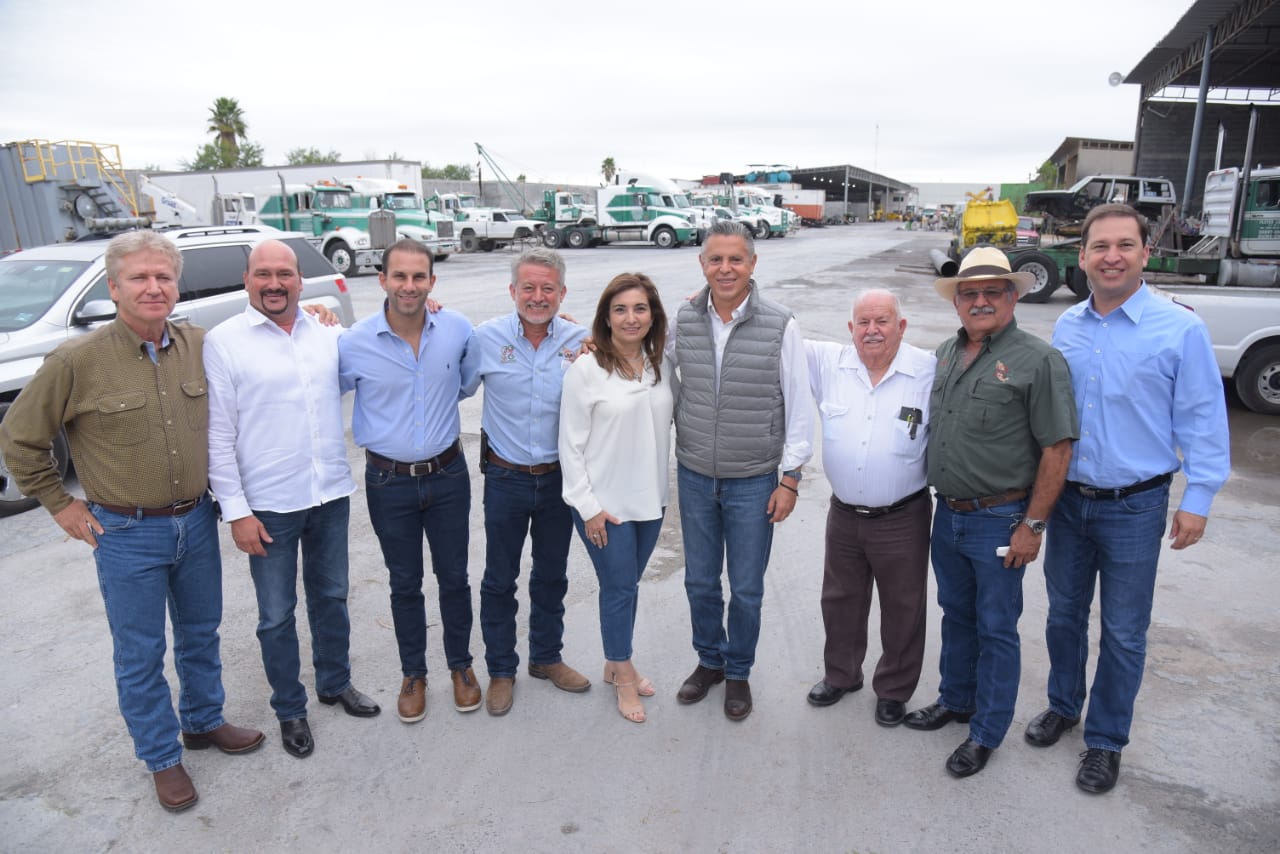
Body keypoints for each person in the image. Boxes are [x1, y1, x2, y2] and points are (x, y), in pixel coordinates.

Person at [0, 231, 263, 813]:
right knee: (140, 653)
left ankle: (203, 721)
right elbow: (17, 438)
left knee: (200, 635)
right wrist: (59, 502)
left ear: (176, 285)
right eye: (139, 278)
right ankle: (162, 758)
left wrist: (316, 312)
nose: (153, 287)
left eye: (163, 277)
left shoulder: (198, 344)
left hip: (195, 522)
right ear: (113, 287)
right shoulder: (76, 361)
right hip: (125, 533)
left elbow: (262, 337)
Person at [1025, 204, 1230, 794]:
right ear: (1083, 256)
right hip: (1070, 502)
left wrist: (1201, 497)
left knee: (1122, 631)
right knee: (1064, 615)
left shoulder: (1180, 328)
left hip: (1135, 507)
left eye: (1124, 245)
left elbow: (1202, 420)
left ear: (1145, 253)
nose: (1111, 256)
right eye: (1099, 246)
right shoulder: (1069, 327)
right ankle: (1064, 706)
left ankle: (1106, 740)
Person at [902, 246, 1078, 779]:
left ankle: (986, 731)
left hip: (1000, 519)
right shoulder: (945, 354)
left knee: (997, 626)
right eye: (969, 293)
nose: (979, 301)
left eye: (991, 292)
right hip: (948, 514)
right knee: (956, 614)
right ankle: (956, 699)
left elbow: (1058, 448)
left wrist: (1034, 524)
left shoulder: (1037, 360)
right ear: (957, 303)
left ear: (1012, 297)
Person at [205, 240, 379, 760]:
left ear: (301, 281)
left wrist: (428, 309)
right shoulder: (223, 341)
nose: (274, 283)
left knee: (332, 598)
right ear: (247, 280)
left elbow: (382, 346)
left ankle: (335, 682)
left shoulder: (327, 330)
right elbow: (217, 434)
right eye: (264, 274)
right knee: (276, 616)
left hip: (329, 493)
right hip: (268, 506)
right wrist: (235, 511)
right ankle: (289, 708)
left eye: (285, 274)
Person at [671, 219, 813, 722]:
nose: (725, 268)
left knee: (747, 588)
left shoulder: (780, 324)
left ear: (753, 263)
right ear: (702, 263)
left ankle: (738, 672)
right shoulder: (684, 319)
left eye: (736, 259)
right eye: (716, 259)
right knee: (701, 583)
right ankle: (709, 660)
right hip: (694, 475)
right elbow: (651, 370)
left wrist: (791, 477)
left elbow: (798, 404)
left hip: (754, 480)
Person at [338, 238, 480, 723]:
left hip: (447, 475)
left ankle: (461, 667)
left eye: (419, 277)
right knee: (404, 582)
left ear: (432, 283)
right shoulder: (353, 342)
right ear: (382, 280)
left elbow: (469, 379)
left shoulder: (458, 329)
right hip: (388, 482)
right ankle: (413, 674)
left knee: (455, 578)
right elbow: (314, 380)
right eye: (399, 276)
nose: (409, 286)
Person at [461, 248, 591, 716]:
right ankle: (501, 669)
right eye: (529, 288)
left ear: (562, 293)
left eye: (548, 288)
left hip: (560, 480)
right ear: (513, 290)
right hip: (506, 478)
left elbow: (643, 343)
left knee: (552, 575)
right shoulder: (484, 338)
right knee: (499, 579)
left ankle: (546, 657)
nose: (538, 297)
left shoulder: (583, 340)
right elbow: (452, 384)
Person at [804, 289, 935, 727]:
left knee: (903, 606)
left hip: (903, 516)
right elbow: (771, 337)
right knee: (839, 601)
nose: (872, 331)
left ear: (901, 326)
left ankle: (894, 690)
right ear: (850, 329)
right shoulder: (829, 362)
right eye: (863, 322)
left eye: (882, 321)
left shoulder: (928, 370)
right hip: (844, 515)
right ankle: (842, 675)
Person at [559, 272, 674, 724]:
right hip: (605, 506)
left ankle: (613, 662)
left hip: (652, 500)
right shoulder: (586, 369)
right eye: (620, 309)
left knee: (627, 587)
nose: (631, 318)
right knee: (619, 587)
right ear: (605, 317)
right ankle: (624, 674)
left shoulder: (660, 364)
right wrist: (588, 508)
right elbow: (569, 446)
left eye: (640, 308)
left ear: (653, 316)